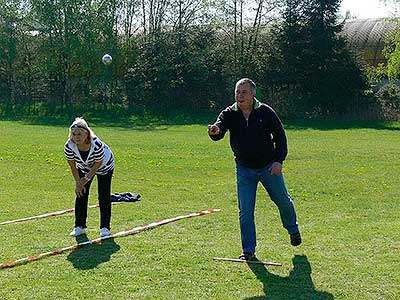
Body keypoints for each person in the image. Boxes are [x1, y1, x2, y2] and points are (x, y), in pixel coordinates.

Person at [208, 78, 301, 260]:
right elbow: (220, 126)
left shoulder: (265, 112)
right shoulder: (230, 113)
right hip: (244, 170)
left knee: (282, 200)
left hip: (268, 167)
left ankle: (293, 229)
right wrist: (215, 131)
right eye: (237, 92)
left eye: (244, 92)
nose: (239, 96)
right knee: (245, 211)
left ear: (253, 95)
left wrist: (278, 161)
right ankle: (248, 251)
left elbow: (280, 137)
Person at [64, 117, 115, 237]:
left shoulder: (96, 144)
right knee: (81, 193)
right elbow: (72, 165)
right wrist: (78, 182)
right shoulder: (69, 146)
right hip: (84, 167)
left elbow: (98, 163)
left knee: (103, 194)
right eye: (74, 134)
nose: (77, 137)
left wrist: (86, 179)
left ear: (86, 134)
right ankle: (79, 226)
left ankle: (105, 228)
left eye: (80, 134)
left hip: (104, 166)